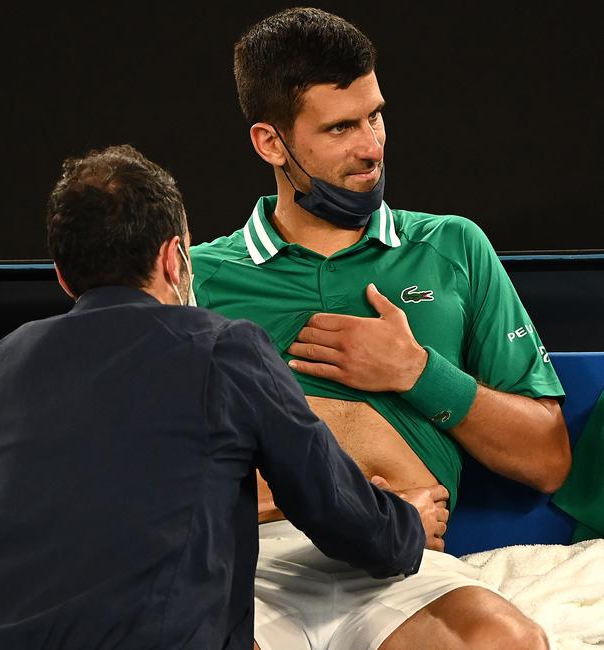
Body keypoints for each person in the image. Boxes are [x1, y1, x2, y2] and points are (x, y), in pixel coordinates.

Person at [190, 8, 572, 650]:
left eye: (374, 116)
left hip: (403, 564)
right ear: (270, 143)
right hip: (250, 563)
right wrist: (328, 503)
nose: (370, 147)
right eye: (339, 128)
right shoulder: (195, 279)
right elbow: (143, 458)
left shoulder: (453, 247)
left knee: (507, 643)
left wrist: (419, 373)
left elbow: (549, 460)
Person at [0, 145, 435, 650]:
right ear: (174, 257)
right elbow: (337, 512)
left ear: (62, 274)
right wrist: (408, 526)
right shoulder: (223, 349)